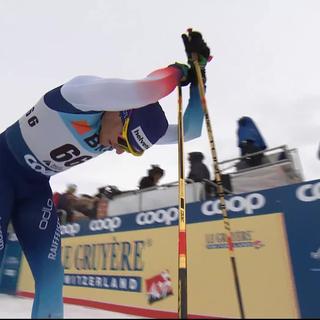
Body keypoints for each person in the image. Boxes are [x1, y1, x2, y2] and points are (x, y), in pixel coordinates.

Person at [0, 30, 210, 318]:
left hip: (34, 190)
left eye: (132, 150)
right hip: (3, 168)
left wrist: (200, 79)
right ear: (120, 111)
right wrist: (179, 71)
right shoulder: (81, 95)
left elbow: (191, 132)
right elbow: (146, 89)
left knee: (51, 280)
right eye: (123, 141)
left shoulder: (125, 123)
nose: (120, 151)